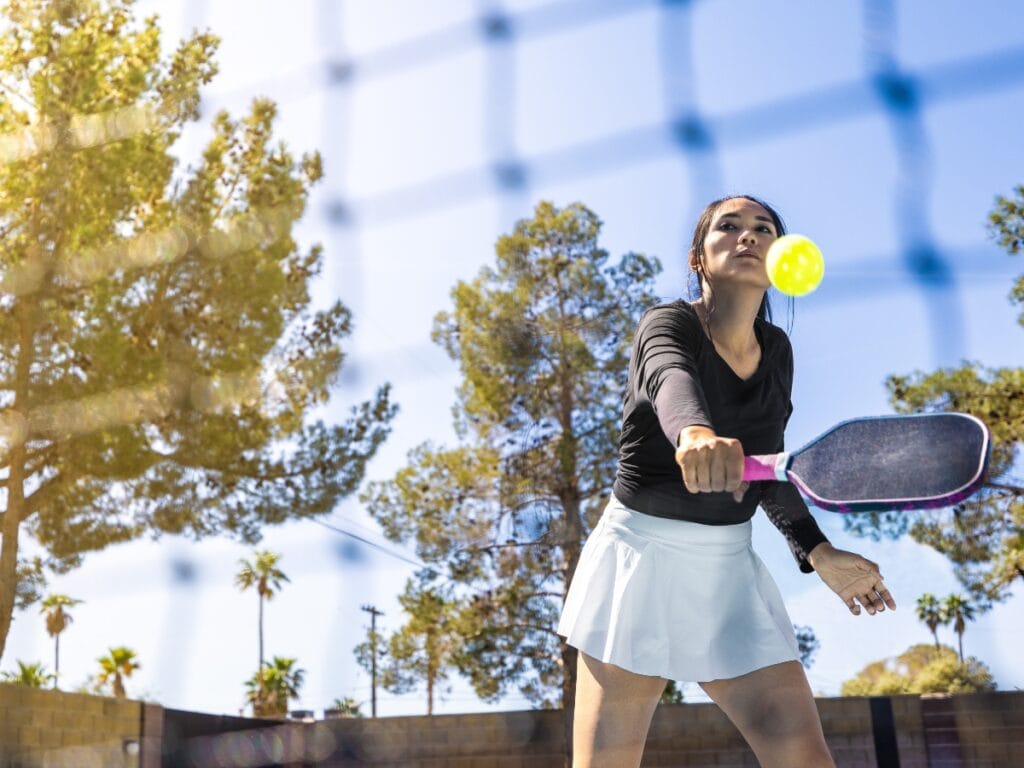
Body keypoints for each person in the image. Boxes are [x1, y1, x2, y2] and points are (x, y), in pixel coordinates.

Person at [557, 195, 897, 768]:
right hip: (639, 560)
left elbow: (766, 467)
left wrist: (819, 553)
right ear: (698, 256)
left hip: (728, 575)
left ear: (782, 256)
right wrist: (694, 434)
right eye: (729, 226)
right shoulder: (666, 323)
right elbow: (669, 375)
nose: (748, 236)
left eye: (764, 229)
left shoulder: (778, 353)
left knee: (807, 760)